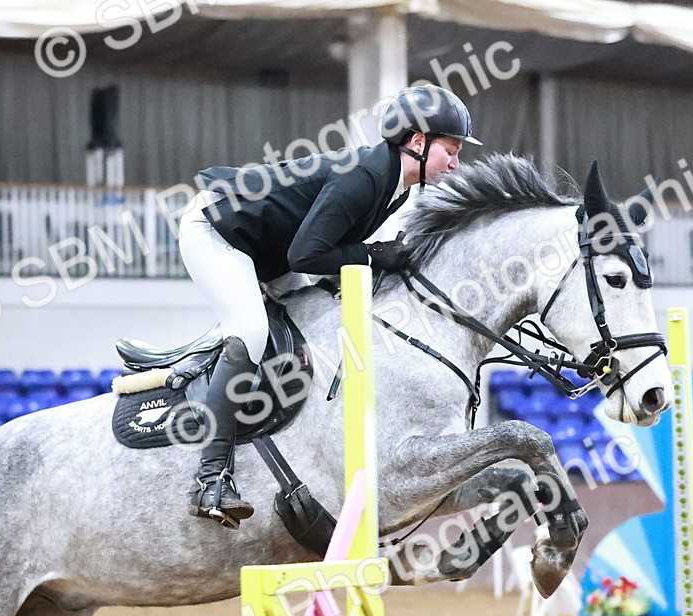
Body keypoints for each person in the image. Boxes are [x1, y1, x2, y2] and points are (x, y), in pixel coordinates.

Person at [177, 84, 481, 527]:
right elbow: (308, 256)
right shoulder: (366, 175)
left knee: (310, 325)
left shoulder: (394, 185)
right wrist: (377, 255)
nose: (456, 162)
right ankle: (211, 480)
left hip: (270, 249)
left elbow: (319, 254)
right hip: (219, 230)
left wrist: (377, 258)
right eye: (450, 150)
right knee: (251, 330)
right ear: (418, 142)